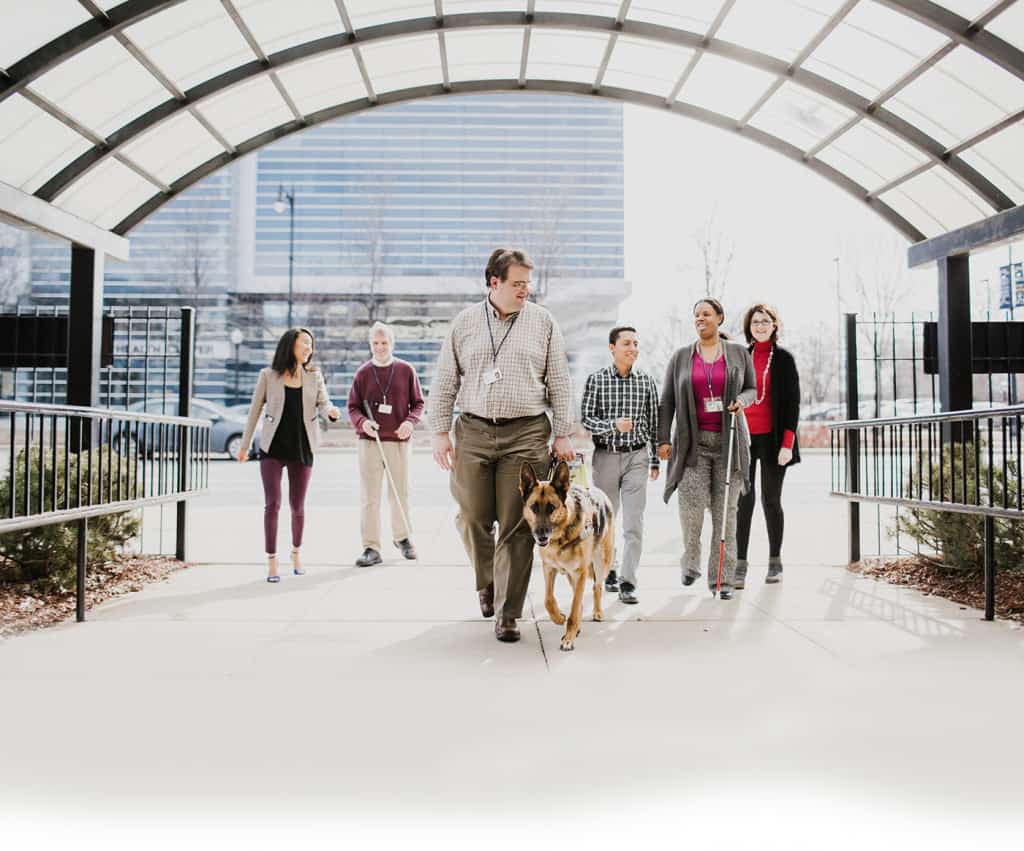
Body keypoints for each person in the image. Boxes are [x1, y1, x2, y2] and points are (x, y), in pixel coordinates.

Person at [429, 247, 575, 643]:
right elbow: (445, 380)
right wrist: (440, 431)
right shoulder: (465, 323)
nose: (526, 289)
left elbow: (560, 381)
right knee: (474, 516)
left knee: (517, 525)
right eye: (517, 283)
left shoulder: (543, 322)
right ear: (494, 282)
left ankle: (509, 614)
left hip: (526, 432)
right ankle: (488, 580)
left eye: (528, 282)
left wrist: (563, 433)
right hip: (474, 430)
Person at [657, 298, 756, 600]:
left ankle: (722, 579)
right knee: (691, 511)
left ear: (719, 318)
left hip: (729, 446)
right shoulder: (681, 357)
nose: (701, 319)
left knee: (725, 515)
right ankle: (691, 561)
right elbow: (668, 401)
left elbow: (752, 388)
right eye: (696, 315)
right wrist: (663, 439)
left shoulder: (739, 354)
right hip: (692, 445)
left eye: (707, 314)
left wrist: (743, 401)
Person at [238, 328, 341, 582]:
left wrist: (331, 410)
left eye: (311, 344)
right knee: (272, 504)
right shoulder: (268, 376)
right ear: (290, 345)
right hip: (272, 448)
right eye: (304, 343)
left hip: (302, 447)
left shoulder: (314, 376)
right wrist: (244, 444)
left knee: (297, 507)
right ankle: (272, 561)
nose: (309, 348)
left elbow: (324, 401)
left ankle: (296, 554)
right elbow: (253, 411)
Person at [580, 326, 660, 605]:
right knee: (604, 522)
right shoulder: (597, 380)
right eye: (627, 343)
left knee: (633, 523)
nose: (633, 348)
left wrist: (654, 460)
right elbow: (587, 420)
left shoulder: (647, 382)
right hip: (605, 457)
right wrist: (613, 426)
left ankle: (628, 581)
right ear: (612, 347)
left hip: (637, 458)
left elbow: (654, 423)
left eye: (636, 343)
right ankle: (608, 571)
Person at [347, 321, 425, 567]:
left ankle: (402, 538)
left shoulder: (406, 370)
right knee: (370, 496)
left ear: (392, 343)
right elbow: (352, 407)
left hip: (399, 442)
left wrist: (410, 423)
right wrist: (362, 423)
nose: (380, 348)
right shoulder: (362, 373)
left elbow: (419, 403)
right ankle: (371, 547)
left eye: (384, 343)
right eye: (375, 343)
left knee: (399, 493)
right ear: (370, 345)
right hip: (370, 442)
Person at [735, 303, 800, 587]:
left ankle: (775, 562)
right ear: (749, 327)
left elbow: (792, 405)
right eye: (755, 322)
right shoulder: (740, 356)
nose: (760, 326)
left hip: (774, 442)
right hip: (744, 440)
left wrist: (788, 444)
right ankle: (740, 564)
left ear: (774, 325)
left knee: (771, 501)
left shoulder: (784, 359)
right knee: (743, 503)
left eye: (765, 321)